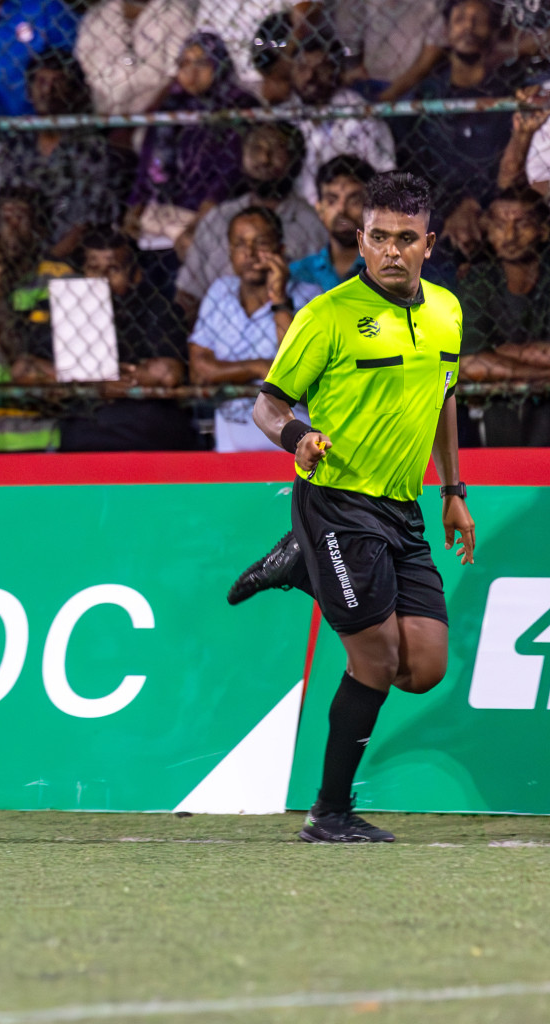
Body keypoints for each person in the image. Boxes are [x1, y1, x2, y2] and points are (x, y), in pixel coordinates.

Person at [247, 171, 473, 843]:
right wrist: (299, 437)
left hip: (402, 511)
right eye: (379, 238)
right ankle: (330, 813)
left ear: (428, 243)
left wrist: (454, 492)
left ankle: (301, 566)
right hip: (337, 505)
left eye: (407, 239)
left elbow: (444, 396)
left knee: (424, 667)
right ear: (360, 238)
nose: (392, 251)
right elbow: (267, 406)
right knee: (373, 661)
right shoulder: (327, 315)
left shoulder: (447, 312)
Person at [187, 206, 320, 451]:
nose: (249, 254)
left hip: (292, 437)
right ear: (230, 252)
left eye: (261, 244)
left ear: (280, 250)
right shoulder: (220, 292)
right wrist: (259, 367)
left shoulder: (310, 297)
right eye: (239, 244)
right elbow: (201, 369)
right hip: (230, 440)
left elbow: (298, 371)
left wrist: (279, 299)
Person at [397, 0, 520, 257]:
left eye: (479, 20)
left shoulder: (509, 92)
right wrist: (450, 205)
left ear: (494, 31)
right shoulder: (427, 93)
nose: (469, 27)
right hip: (435, 210)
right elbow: (412, 161)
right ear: (446, 31)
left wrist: (475, 202)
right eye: (460, 19)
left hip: (494, 209)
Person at [57, 230, 196, 451]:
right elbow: (28, 369)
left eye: (113, 269)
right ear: (82, 272)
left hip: (146, 432)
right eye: (94, 268)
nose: (102, 278)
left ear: (134, 275)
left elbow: (168, 373)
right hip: (83, 432)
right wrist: (106, 381)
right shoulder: (69, 308)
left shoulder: (157, 307)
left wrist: (83, 375)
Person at [174, 121, 325, 322]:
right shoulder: (218, 218)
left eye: (276, 149)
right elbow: (188, 293)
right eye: (256, 148)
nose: (264, 159)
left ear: (294, 160)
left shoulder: (312, 224)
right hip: (219, 335)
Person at [128, 32, 259, 259]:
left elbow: (230, 173)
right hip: (163, 214)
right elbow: (147, 164)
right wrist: (134, 210)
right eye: (184, 63)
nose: (191, 72)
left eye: (202, 63)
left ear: (219, 64)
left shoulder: (239, 105)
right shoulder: (170, 106)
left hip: (213, 214)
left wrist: (198, 225)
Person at [0, 186, 73, 451]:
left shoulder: (58, 278)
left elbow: (23, 358)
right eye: (5, 220)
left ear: (40, 229)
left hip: (43, 433)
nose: (12, 229)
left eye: (21, 219)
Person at [452, 187, 550, 445]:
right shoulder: (478, 280)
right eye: (499, 224)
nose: (509, 235)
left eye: (522, 224)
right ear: (487, 230)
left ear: (544, 230)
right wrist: (540, 376)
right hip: (497, 408)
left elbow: (481, 361)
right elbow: (467, 364)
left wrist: (499, 352)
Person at [0, 50, 119, 261]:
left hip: (73, 256)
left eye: (58, 82)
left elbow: (88, 219)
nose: (48, 90)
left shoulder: (90, 146)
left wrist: (50, 260)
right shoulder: (16, 144)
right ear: (28, 90)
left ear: (72, 91)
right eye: (41, 82)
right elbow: (9, 204)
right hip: (22, 254)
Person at [284, 37, 396, 206]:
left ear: (336, 71)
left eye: (321, 68)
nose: (310, 76)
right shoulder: (283, 115)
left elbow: (385, 170)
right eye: (302, 68)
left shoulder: (359, 111)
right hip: (300, 211)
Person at [74, 0, 194, 116]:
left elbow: (175, 74)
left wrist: (140, 120)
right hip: (102, 113)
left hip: (155, 116)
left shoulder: (175, 13)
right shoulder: (98, 15)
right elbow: (86, 65)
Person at [290, 155, 375, 291]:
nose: (341, 209)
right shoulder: (300, 273)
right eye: (332, 200)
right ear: (319, 209)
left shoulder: (386, 270)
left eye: (354, 201)